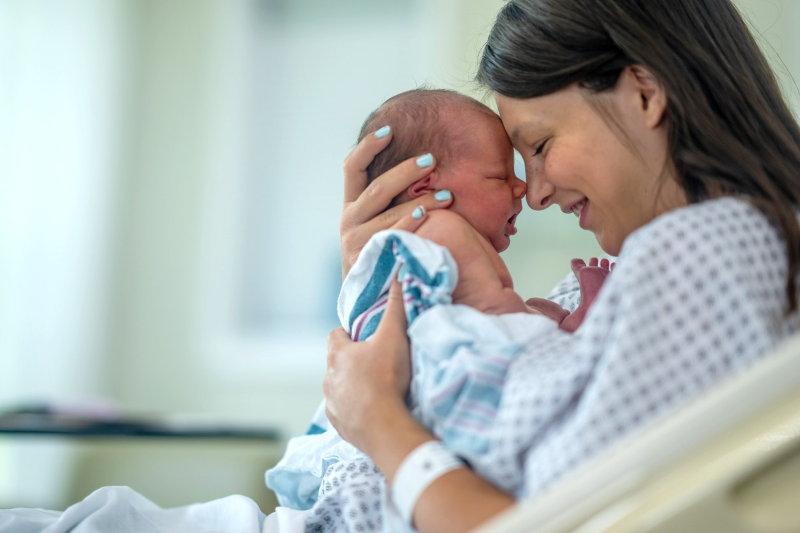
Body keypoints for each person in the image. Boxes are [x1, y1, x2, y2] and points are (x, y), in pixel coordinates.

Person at [321, 1, 800, 532]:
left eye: (542, 145)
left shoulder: (702, 254)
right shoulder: (618, 283)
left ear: (644, 93)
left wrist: (378, 421)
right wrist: (389, 301)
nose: (536, 194)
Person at [265, 88, 613, 513]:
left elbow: (499, 326)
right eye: (499, 176)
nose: (523, 188)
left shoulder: (430, 247)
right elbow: (506, 331)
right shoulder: (441, 233)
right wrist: (568, 316)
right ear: (426, 186)